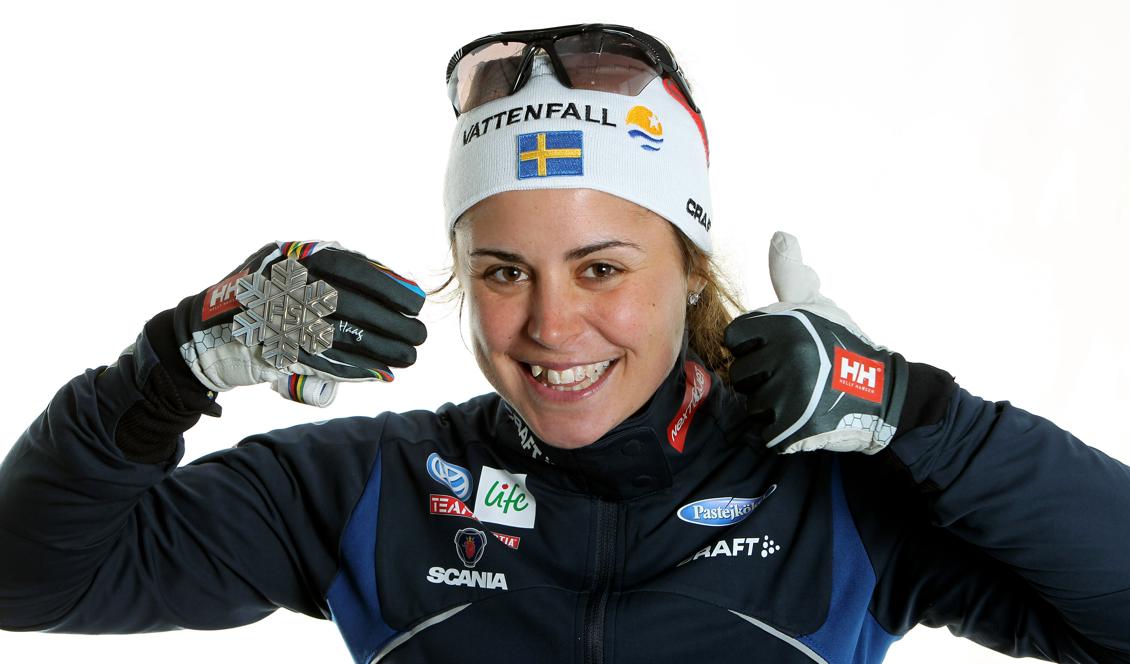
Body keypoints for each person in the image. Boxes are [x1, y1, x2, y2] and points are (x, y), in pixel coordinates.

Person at [1, 22, 1129, 664]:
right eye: (502, 272)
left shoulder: (835, 496)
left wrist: (918, 417)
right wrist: (165, 373)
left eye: (600, 268)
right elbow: (33, 579)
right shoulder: (372, 487)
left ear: (686, 271)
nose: (548, 326)